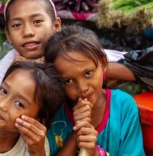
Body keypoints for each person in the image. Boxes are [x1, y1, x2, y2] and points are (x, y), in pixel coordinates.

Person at [0, 0, 128, 94]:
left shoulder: (74, 51)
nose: (27, 32)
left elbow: (132, 65)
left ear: (56, 26)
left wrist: (98, 71)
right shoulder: (4, 70)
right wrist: (17, 76)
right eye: (16, 25)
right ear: (8, 35)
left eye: (37, 21)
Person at [44, 25, 145, 156]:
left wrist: (95, 153)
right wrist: (77, 133)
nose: (82, 88)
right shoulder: (54, 112)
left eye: (88, 73)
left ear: (103, 64)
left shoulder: (123, 107)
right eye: (68, 81)